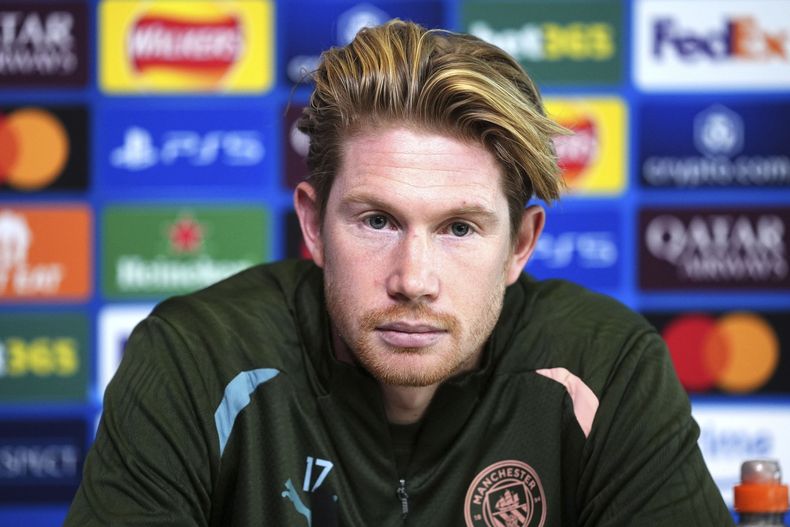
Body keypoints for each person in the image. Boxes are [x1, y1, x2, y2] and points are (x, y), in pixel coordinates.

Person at [66, 20, 733, 526]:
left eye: (460, 228)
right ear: (312, 224)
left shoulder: (606, 365)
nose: (414, 278)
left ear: (520, 246)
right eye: (378, 221)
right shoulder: (195, 358)